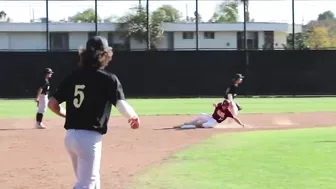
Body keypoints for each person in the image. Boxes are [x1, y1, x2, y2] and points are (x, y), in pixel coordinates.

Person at [47, 36, 140, 189]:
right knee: (86, 184)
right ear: (105, 55)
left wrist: (66, 115)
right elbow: (121, 104)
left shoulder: (73, 76)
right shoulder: (109, 78)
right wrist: (133, 116)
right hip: (89, 138)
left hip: (70, 137)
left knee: (93, 180)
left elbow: (52, 104)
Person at [177, 99, 245, 129]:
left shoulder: (227, 112)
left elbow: (235, 118)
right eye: (224, 105)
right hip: (211, 117)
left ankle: (196, 125)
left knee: (204, 125)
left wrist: (241, 124)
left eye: (226, 106)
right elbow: (216, 105)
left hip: (215, 122)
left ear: (227, 106)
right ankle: (191, 123)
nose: (224, 106)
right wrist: (215, 105)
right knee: (201, 114)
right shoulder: (219, 105)